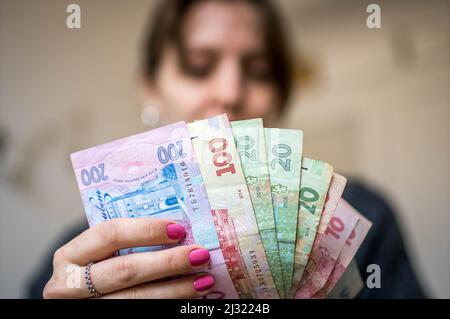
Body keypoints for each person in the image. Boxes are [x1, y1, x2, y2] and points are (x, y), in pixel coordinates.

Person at [33, 0, 425, 299]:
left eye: (258, 72)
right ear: (150, 89)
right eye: (199, 66)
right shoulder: (81, 255)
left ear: (281, 96)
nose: (230, 92)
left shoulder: (360, 215)